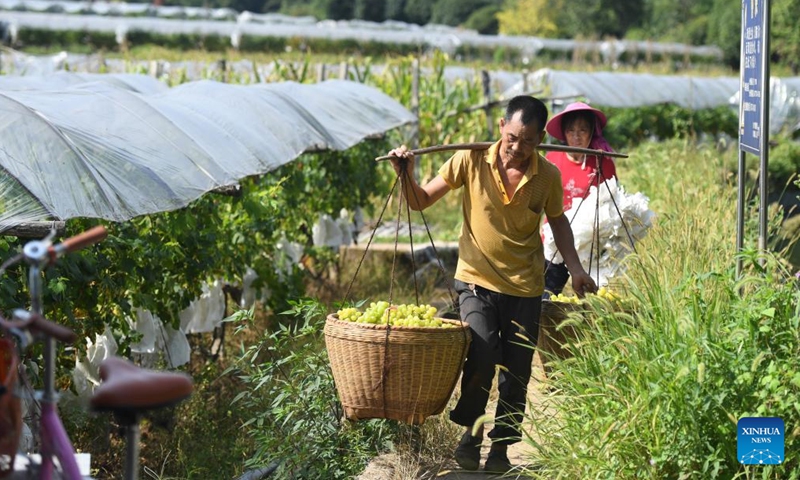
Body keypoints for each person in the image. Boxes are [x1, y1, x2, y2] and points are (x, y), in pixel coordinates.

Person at [387, 95, 597, 473]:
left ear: (539, 141)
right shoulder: (469, 159)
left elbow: (559, 222)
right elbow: (419, 201)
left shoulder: (547, 176)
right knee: (482, 354)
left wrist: (576, 269)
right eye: (513, 137)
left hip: (525, 288)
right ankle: (472, 431)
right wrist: (406, 173)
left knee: (517, 372)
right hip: (475, 281)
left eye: (528, 141)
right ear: (502, 127)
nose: (517, 149)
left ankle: (501, 448)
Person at [543, 102, 617, 300]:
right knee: (546, 296)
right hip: (556, 241)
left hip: (589, 243)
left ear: (592, 132)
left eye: (583, 130)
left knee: (594, 299)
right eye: (571, 131)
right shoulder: (552, 159)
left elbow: (612, 200)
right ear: (564, 134)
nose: (576, 136)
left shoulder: (603, 162)